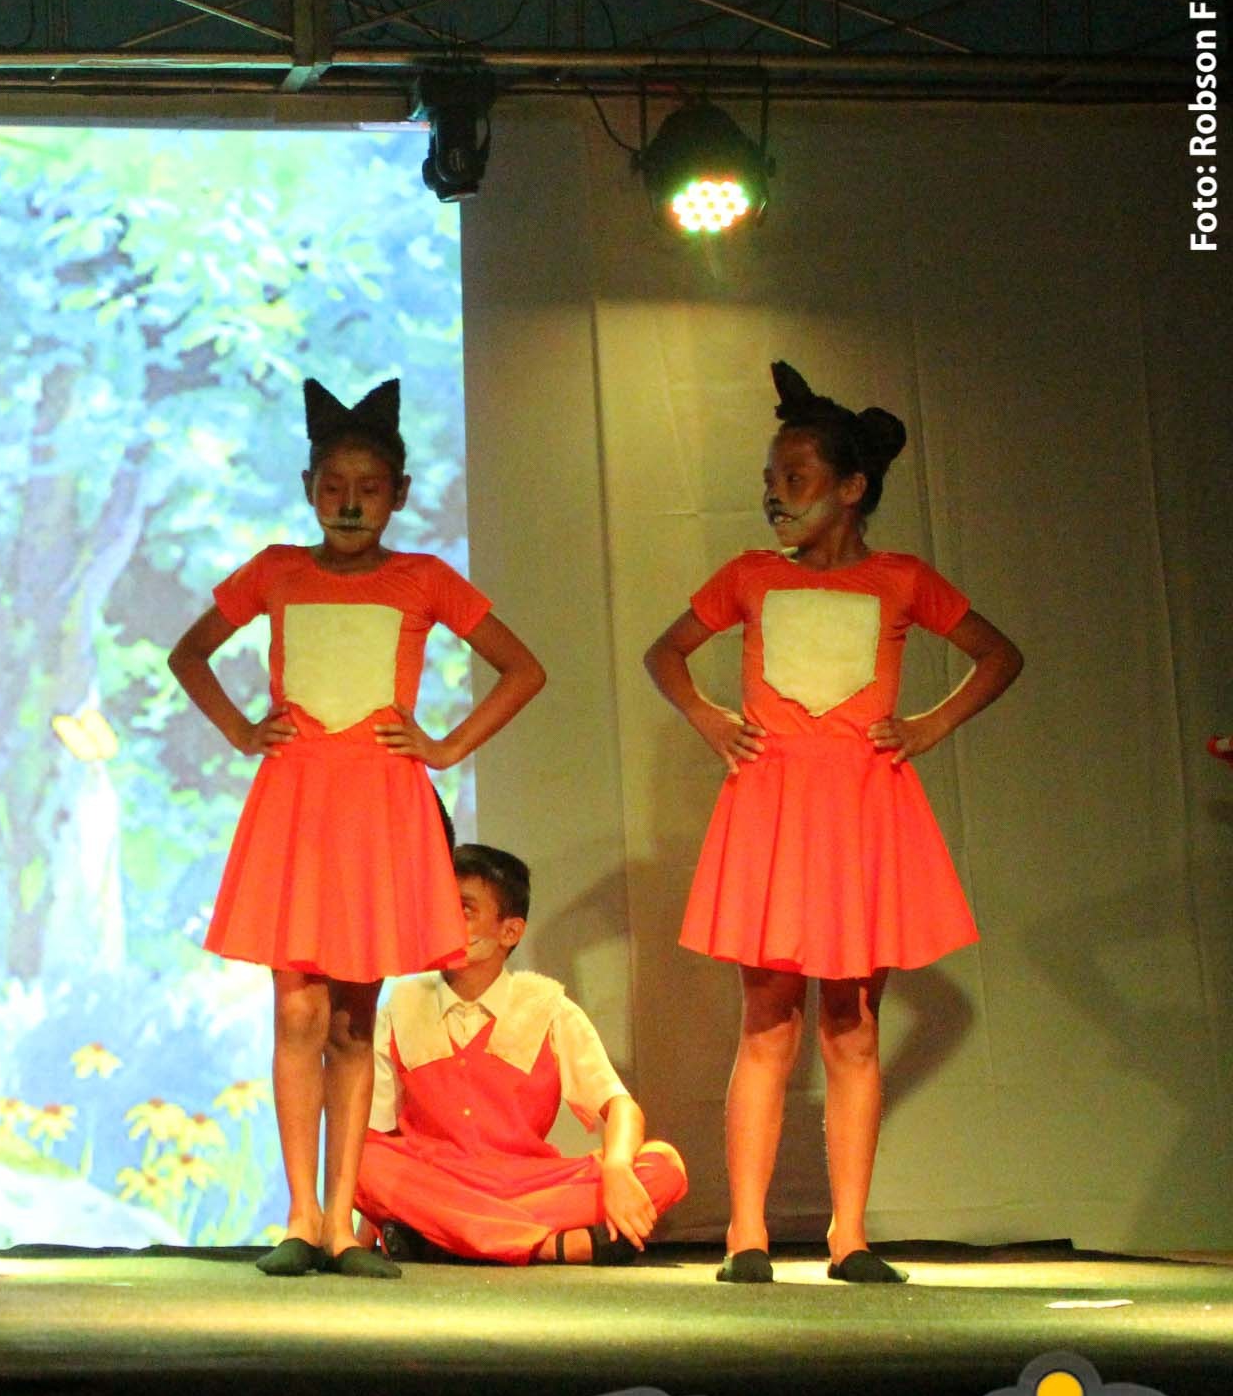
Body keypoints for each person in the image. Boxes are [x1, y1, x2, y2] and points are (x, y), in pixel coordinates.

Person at [644, 362, 1022, 1285]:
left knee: (852, 1024)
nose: (777, 496)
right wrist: (706, 716)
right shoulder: (748, 578)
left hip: (861, 811)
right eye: (771, 480)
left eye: (797, 478)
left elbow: (997, 654)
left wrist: (931, 724)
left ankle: (850, 1235)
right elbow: (667, 653)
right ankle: (746, 1234)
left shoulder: (899, 580)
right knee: (767, 1019)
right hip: (773, 805)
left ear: (851, 489)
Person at [170, 376, 545, 1278]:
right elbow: (188, 652)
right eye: (333, 484)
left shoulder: (423, 581)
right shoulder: (276, 571)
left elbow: (521, 668)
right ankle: (298, 1214)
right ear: (308, 488)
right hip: (297, 802)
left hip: (382, 805)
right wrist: (238, 727)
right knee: (295, 1005)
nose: (348, 501)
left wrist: (445, 745)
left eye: (368, 487)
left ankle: (343, 1221)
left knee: (351, 1017)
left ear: (399, 496)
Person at [354, 845, 688, 1266]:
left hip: (527, 1185)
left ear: (510, 932)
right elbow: (378, 1137)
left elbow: (620, 1106)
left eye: (464, 910)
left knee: (664, 1166)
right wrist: (370, 1215)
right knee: (357, 1157)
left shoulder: (547, 1008)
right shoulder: (402, 1005)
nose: (444, 923)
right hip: (436, 1179)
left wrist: (619, 1169)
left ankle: (446, 1240)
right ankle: (548, 1246)